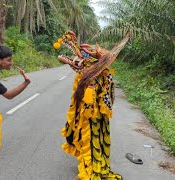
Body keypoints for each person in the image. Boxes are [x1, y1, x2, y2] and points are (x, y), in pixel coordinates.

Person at [54, 31, 130, 179]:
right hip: (93, 115)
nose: (81, 59)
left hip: (93, 117)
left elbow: (96, 101)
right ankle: (88, 166)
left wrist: (86, 107)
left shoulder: (97, 77)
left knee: (92, 141)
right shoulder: (93, 75)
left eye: (87, 56)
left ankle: (89, 172)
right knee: (88, 141)